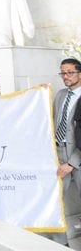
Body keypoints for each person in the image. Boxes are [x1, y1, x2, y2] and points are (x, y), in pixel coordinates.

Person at [52, 58, 81, 246]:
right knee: (55, 200)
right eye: (63, 73)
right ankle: (60, 244)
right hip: (59, 152)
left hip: (78, 154)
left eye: (70, 72)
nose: (65, 76)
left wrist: (72, 163)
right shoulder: (61, 95)